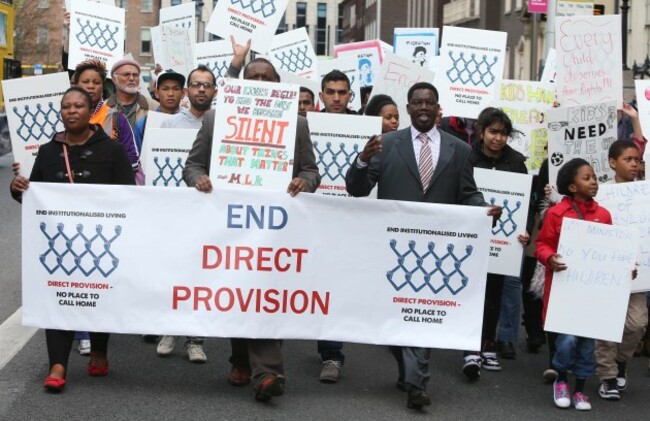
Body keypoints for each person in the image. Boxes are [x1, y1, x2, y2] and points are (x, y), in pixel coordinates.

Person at [346, 82, 501, 409]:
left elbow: (467, 193)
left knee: (422, 315)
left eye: (429, 103)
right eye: (417, 103)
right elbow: (357, 190)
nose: (424, 108)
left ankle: (418, 383)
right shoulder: (386, 144)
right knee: (397, 318)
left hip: (438, 249)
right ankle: (408, 368)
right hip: (393, 247)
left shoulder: (459, 150)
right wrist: (361, 161)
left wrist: (483, 209)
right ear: (408, 107)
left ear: (438, 107)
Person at [183, 40, 320, 402]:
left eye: (267, 77)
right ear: (242, 83)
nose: (260, 81)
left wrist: (303, 181)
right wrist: (199, 179)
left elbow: (311, 170)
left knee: (265, 294)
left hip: (275, 227)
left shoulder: (298, 124)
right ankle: (240, 359)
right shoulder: (216, 118)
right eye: (253, 76)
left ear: (278, 86)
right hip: (229, 225)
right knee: (237, 292)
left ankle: (267, 373)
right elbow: (192, 164)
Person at [9, 87, 135, 392]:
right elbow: (34, 196)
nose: (72, 111)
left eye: (78, 105)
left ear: (90, 109)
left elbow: (130, 197)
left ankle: (99, 350)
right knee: (58, 298)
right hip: (59, 244)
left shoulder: (112, 150)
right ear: (61, 112)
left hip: (102, 242)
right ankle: (58, 364)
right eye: (66, 106)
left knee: (100, 297)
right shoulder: (49, 151)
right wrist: (17, 187)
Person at [536, 158, 612, 411]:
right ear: (571, 187)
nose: (594, 182)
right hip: (563, 291)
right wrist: (550, 258)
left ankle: (580, 389)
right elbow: (542, 245)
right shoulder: (556, 213)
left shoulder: (604, 214)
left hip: (590, 295)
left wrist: (624, 270)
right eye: (587, 178)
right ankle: (560, 377)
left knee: (587, 345)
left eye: (595, 178)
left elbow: (610, 252)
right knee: (566, 340)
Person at [154, 65, 217, 363]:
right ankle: (171, 328)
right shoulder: (167, 125)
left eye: (207, 85)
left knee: (204, 275)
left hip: (210, 213)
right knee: (175, 273)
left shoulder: (224, 124)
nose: (201, 89)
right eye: (196, 84)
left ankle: (196, 338)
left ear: (215, 92)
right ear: (186, 91)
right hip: (176, 214)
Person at [466, 107, 532, 375]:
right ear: (481, 131)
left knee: (493, 295)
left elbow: (525, 202)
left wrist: (524, 231)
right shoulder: (466, 157)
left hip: (503, 243)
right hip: (472, 235)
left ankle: (488, 345)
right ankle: (470, 348)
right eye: (493, 131)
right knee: (472, 294)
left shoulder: (516, 162)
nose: (498, 138)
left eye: (504, 133)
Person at [595, 139, 649, 401]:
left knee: (637, 323)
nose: (635, 164)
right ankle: (607, 377)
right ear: (613, 163)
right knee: (606, 324)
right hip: (607, 272)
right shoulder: (601, 194)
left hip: (637, 274)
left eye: (638, 160)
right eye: (628, 159)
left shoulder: (645, 193)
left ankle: (620, 361)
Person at [73, 60, 140, 171]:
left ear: (103, 86)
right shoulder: (64, 116)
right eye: (85, 82)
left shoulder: (118, 119)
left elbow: (132, 160)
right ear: (75, 85)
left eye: (96, 82)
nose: (91, 86)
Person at [134, 69, 185, 154]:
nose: (170, 94)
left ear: (183, 93)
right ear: (156, 93)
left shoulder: (192, 121)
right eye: (165, 89)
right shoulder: (144, 124)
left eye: (176, 89)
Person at [105, 59, 159, 129]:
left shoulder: (154, 107)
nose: (131, 78)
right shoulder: (103, 108)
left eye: (135, 75)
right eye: (126, 74)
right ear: (114, 79)